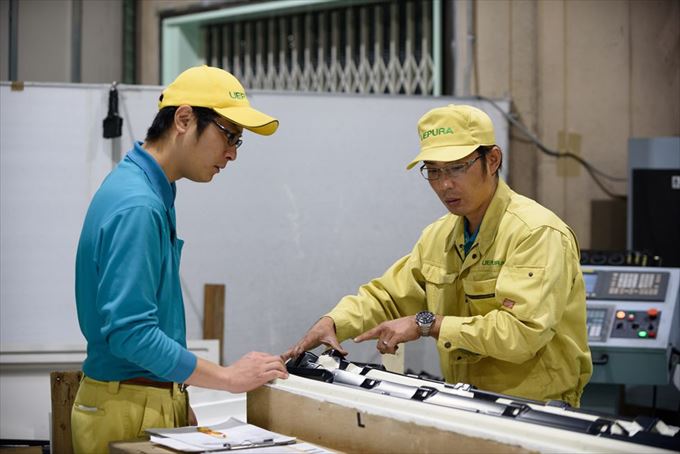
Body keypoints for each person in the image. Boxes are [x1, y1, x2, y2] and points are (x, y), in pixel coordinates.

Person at [284, 104, 592, 407]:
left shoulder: (535, 233)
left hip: (536, 410)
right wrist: (334, 322)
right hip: (468, 403)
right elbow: (388, 296)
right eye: (433, 171)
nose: (445, 184)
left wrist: (426, 324)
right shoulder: (440, 236)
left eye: (457, 167)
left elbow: (521, 333)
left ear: (493, 159)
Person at [72, 66, 288, 453]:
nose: (233, 153)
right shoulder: (139, 205)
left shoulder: (151, 190)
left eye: (240, 141)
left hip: (141, 400)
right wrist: (226, 377)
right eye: (229, 135)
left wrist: (174, 395)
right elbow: (131, 334)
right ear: (184, 119)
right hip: (127, 408)